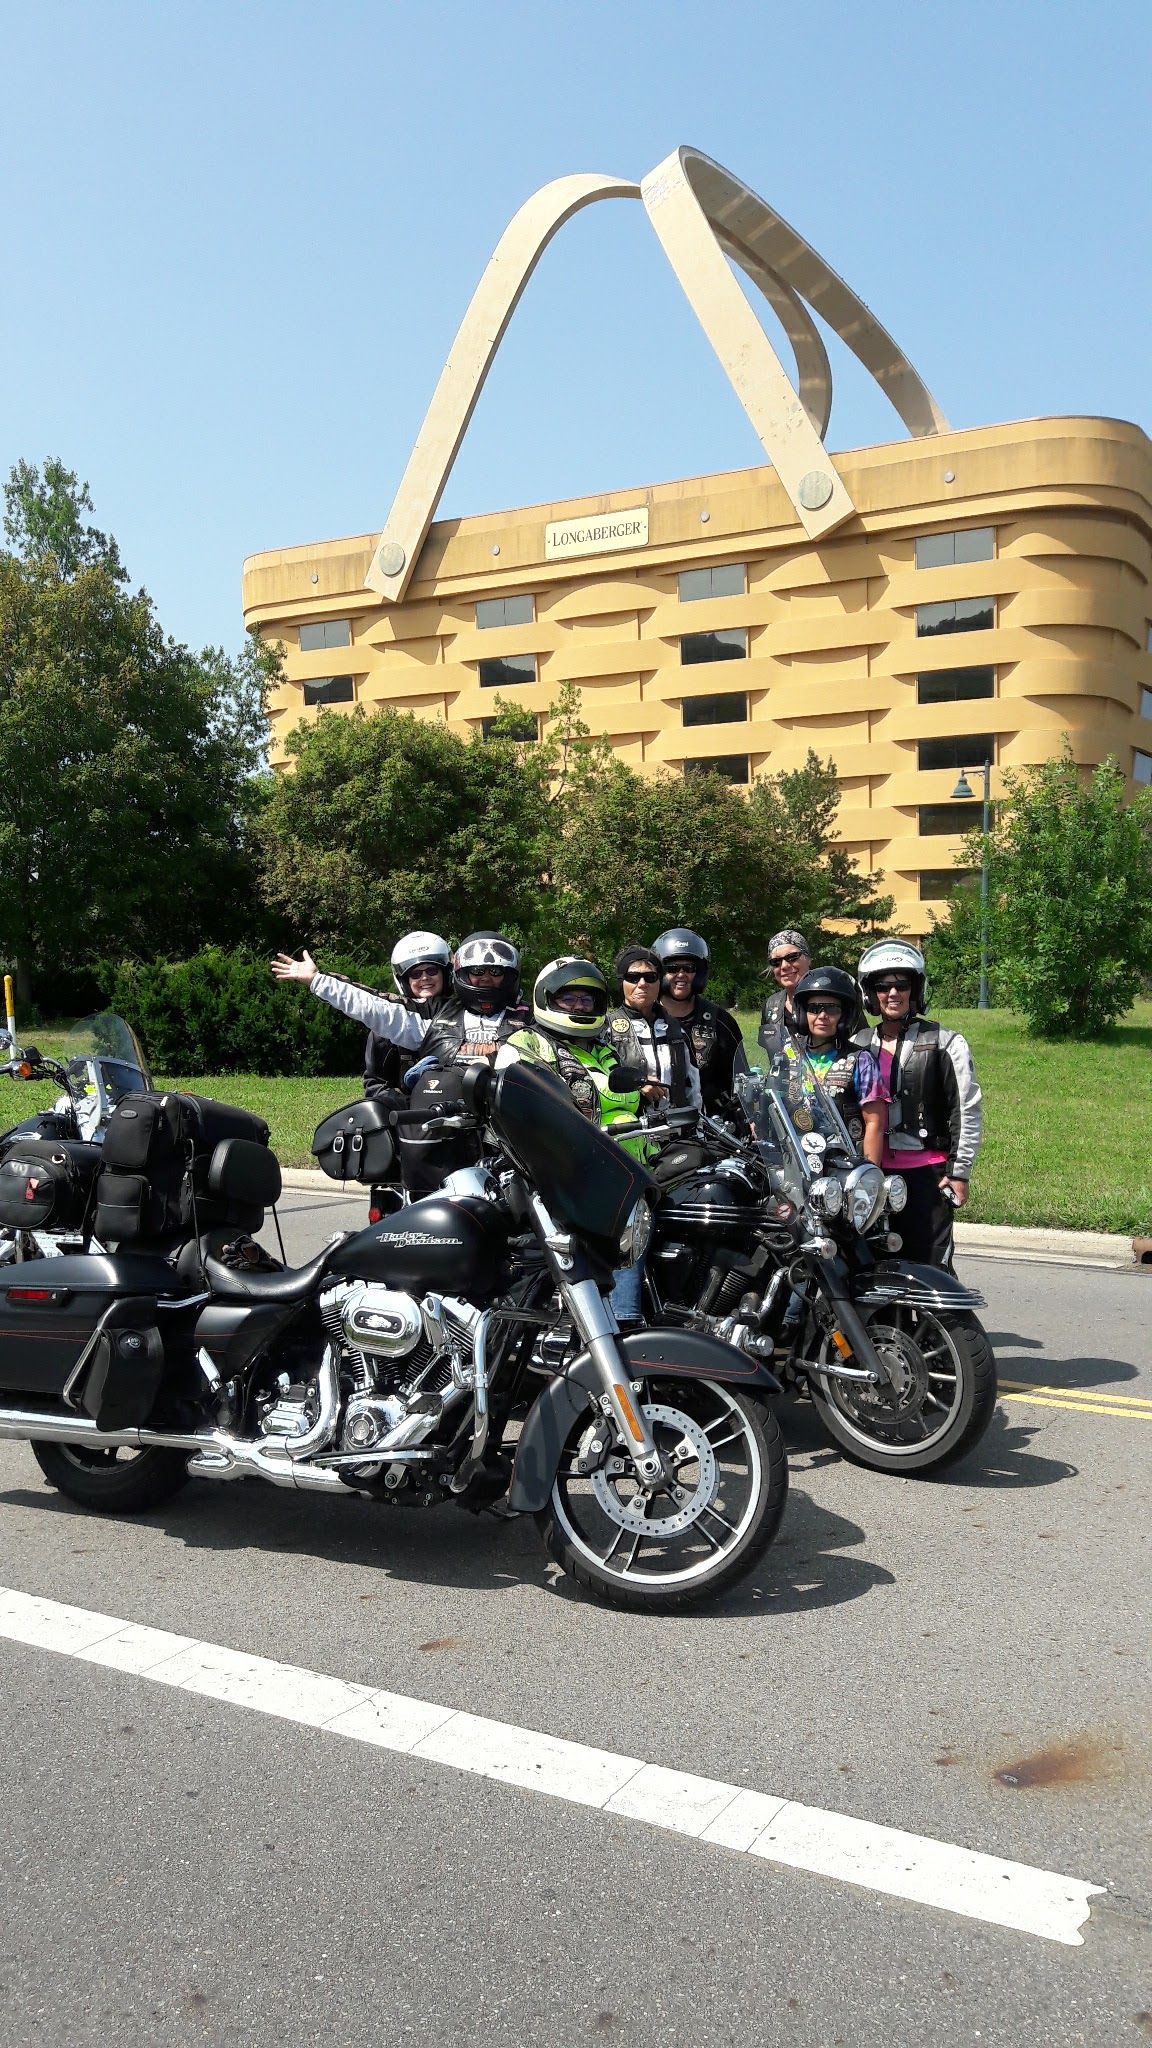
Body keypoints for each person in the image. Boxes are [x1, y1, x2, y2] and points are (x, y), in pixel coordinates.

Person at [856, 939, 983, 1269]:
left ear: (916, 988)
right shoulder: (857, 1045)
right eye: (883, 986)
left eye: (902, 984)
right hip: (872, 1176)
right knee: (874, 1272)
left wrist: (959, 1173)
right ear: (870, 992)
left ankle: (947, 1324)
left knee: (933, 1272)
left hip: (928, 1177)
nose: (893, 993)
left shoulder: (946, 1043)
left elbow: (966, 1111)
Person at [272, 930, 528, 1069]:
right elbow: (372, 1005)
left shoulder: (528, 1016)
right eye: (476, 971)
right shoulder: (432, 1014)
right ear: (462, 972)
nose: (485, 979)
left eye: (495, 972)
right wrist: (318, 980)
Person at [788, 966, 886, 1164]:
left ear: (846, 1015)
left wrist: (869, 1178)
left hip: (845, 1162)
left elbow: (874, 1122)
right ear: (802, 1013)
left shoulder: (860, 1060)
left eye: (831, 1009)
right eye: (814, 1009)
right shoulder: (788, 1055)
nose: (822, 1015)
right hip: (796, 1162)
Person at [651, 928, 745, 1115]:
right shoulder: (644, 1020)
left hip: (713, 1129)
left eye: (689, 968)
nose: (681, 975)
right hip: (655, 1126)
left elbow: (740, 1079)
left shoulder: (720, 1021)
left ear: (699, 972)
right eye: (672, 968)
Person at [604, 945, 702, 1114]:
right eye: (633, 977)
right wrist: (636, 1085)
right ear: (622, 982)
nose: (642, 984)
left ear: (659, 981)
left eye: (650, 977)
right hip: (630, 1129)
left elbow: (693, 1085)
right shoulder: (605, 1029)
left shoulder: (676, 1029)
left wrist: (697, 1127)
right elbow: (597, 1081)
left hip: (675, 1129)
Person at [363, 931, 452, 1098]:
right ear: (404, 980)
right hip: (408, 1114)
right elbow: (375, 1084)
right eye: (416, 974)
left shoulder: (463, 1014)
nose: (425, 978)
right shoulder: (388, 1022)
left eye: (432, 970)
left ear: (445, 973)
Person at [757, 929, 812, 1057]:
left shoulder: (834, 997)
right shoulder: (770, 1006)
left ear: (808, 958)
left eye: (792, 957)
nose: (784, 966)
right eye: (776, 962)